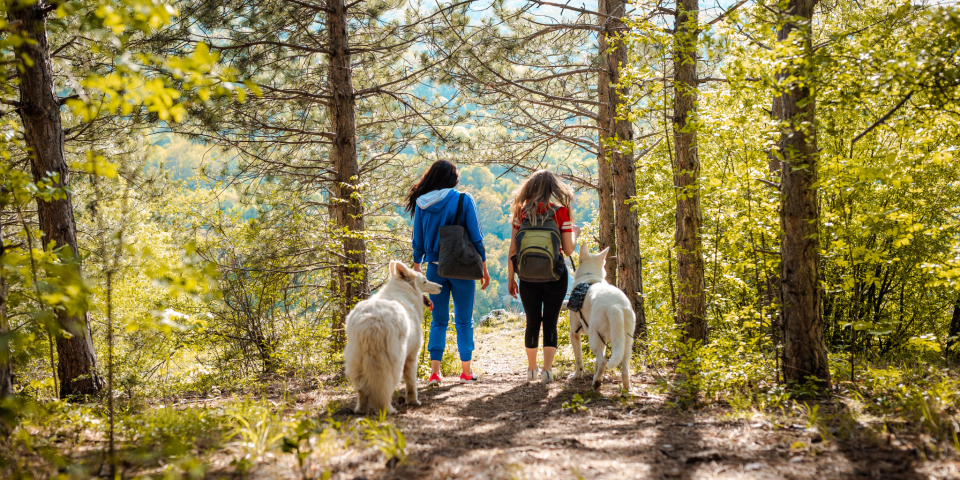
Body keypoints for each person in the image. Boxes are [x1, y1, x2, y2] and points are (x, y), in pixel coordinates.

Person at [408, 160, 491, 385]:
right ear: (452, 178)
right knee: (464, 320)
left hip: (435, 269)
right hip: (462, 268)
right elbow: (476, 237)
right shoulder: (463, 200)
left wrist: (417, 273)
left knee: (438, 321)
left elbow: (418, 243)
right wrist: (484, 267)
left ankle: (435, 373)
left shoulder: (421, 203)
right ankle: (466, 371)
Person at [507, 170, 579, 384]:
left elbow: (513, 248)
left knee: (531, 322)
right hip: (555, 275)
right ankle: (547, 371)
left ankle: (531, 369)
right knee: (550, 322)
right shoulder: (561, 212)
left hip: (527, 275)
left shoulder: (521, 212)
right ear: (552, 189)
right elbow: (567, 250)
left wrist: (512, 278)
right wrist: (574, 233)